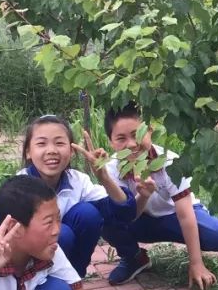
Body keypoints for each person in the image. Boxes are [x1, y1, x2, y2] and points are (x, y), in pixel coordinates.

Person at [100, 103, 218, 290]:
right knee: (102, 215)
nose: (131, 144)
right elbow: (125, 217)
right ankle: (134, 258)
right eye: (121, 138)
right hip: (143, 222)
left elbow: (185, 214)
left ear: (149, 131)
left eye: (135, 134)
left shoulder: (170, 162)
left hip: (178, 217)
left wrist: (196, 263)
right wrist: (144, 197)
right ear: (110, 142)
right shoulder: (112, 169)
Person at [14, 114, 134, 278]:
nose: (51, 151)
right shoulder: (19, 187)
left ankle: (75, 279)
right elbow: (7, 239)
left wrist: (104, 177)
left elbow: (122, 213)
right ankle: (50, 286)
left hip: (66, 258)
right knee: (61, 234)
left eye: (59, 143)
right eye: (41, 143)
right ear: (28, 152)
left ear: (71, 151)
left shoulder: (77, 181)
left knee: (87, 214)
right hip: (28, 268)